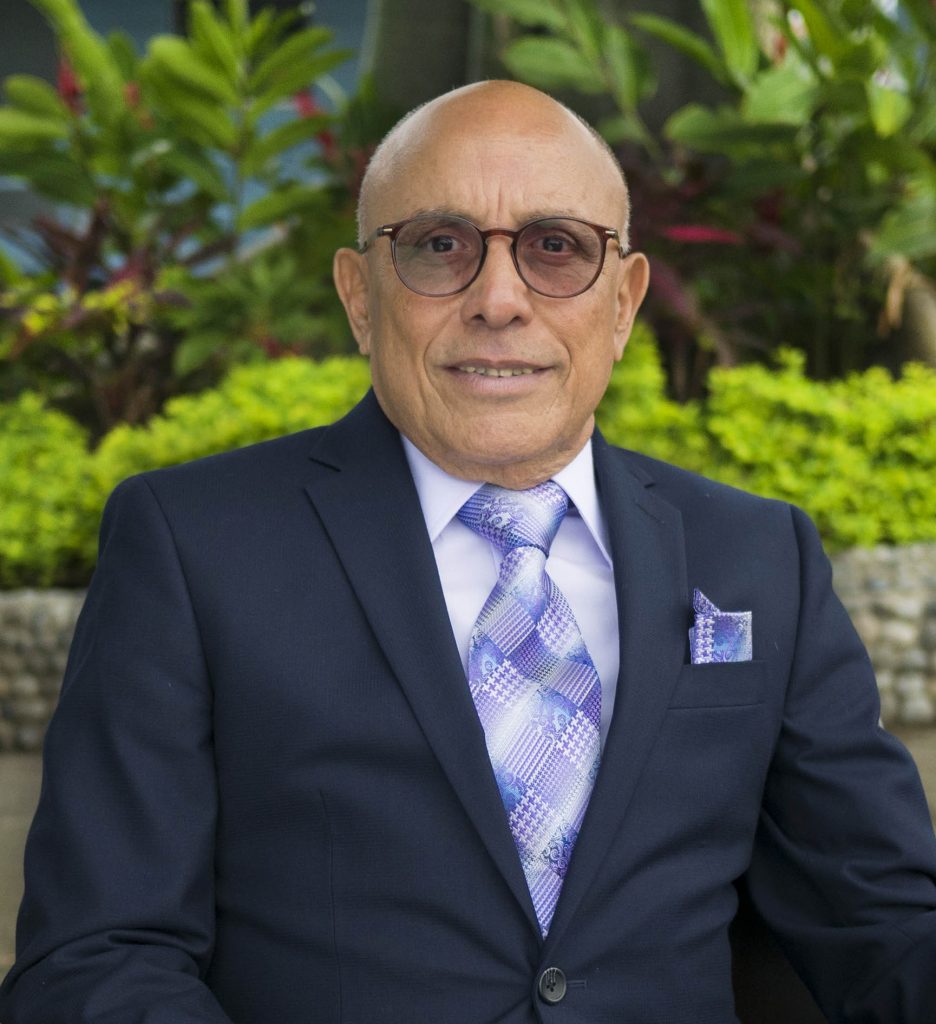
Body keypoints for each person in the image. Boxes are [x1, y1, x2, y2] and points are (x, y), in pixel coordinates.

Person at [2, 80, 935, 1024]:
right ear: (359, 296)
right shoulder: (192, 546)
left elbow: (885, 922)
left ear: (623, 302)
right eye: (439, 246)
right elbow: (97, 958)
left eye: (556, 248)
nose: (499, 301)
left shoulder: (759, 556)